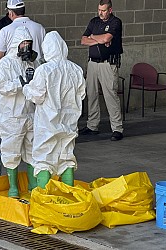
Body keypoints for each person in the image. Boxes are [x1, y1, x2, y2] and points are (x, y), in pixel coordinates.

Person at [22, 31, 86, 187]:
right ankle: (67, 196)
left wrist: (26, 87)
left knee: (44, 159)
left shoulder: (44, 70)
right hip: (69, 123)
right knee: (66, 157)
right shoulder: (76, 69)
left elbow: (37, 96)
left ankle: (45, 200)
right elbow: (82, 94)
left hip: (47, 124)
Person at [0, 26, 38, 198]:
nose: (26, 46)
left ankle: (33, 186)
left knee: (32, 150)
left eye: (29, 43)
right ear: (16, 44)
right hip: (11, 115)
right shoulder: (4, 64)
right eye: (23, 43)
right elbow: (3, 87)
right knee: (11, 151)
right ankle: (13, 187)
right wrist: (21, 83)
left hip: (30, 113)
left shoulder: (31, 63)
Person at [79, 0, 124, 141]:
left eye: (103, 10)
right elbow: (83, 40)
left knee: (110, 95)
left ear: (110, 10)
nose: (100, 13)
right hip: (93, 63)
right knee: (91, 94)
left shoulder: (116, 22)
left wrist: (93, 37)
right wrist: (97, 39)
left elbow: (107, 37)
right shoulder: (94, 21)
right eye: (99, 10)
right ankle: (92, 125)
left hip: (108, 63)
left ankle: (117, 128)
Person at [0, 0, 45, 64]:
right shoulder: (40, 28)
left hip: (13, 71)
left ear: (11, 13)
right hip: (38, 71)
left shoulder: (5, 30)